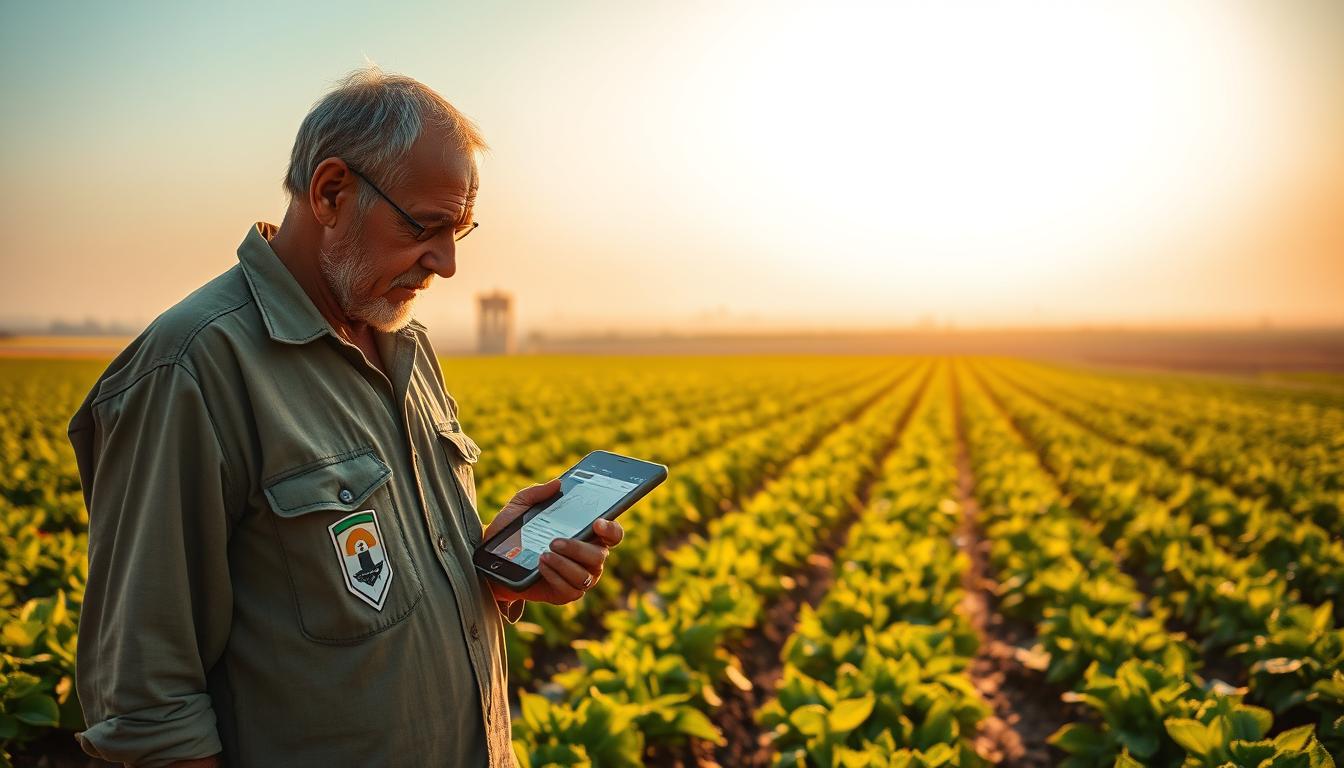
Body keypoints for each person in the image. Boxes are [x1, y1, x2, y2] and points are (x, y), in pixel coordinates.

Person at [67, 66, 621, 768]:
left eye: (460, 231)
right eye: (425, 227)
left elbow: (365, 587)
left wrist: (501, 568)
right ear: (332, 192)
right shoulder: (192, 370)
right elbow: (146, 701)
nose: (447, 264)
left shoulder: (403, 342)